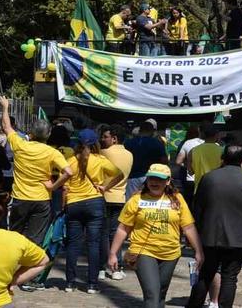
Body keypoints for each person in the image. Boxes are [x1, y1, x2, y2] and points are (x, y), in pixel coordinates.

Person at [109, 164, 203, 308]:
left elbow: (188, 227)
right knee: (152, 294)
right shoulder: (136, 199)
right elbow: (123, 228)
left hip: (171, 253)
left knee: (160, 294)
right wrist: (113, 253)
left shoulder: (177, 199)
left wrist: (198, 251)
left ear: (167, 181)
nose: (154, 182)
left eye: (159, 179)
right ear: (146, 180)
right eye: (151, 178)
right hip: (143, 251)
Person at [187, 146, 242, 308]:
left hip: (210, 236)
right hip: (240, 238)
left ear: (223, 157)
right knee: (229, 277)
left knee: (206, 274)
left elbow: (197, 210)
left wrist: (193, 237)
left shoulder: (208, 178)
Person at [0, 96, 73, 248]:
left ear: (31, 133)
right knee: (35, 241)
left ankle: (13, 266)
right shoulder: (52, 152)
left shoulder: (20, 145)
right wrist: (53, 187)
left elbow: (6, 127)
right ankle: (30, 269)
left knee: (15, 236)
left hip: (20, 198)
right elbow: (69, 172)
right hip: (42, 200)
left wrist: (5, 107)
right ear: (48, 135)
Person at [63, 129, 122, 294]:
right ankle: (92, 284)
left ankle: (69, 283)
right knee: (93, 244)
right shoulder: (100, 160)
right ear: (96, 143)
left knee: (73, 245)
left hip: (74, 204)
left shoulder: (70, 161)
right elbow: (119, 174)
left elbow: (65, 187)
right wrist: (105, 187)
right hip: (94, 203)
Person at [98, 124, 134, 281]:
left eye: (105, 137)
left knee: (103, 234)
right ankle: (116, 267)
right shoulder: (130, 155)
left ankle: (100, 267)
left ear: (114, 138)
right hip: (120, 198)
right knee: (117, 234)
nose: (102, 139)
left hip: (103, 195)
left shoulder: (103, 153)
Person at [125, 120, 168, 198]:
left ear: (140, 130)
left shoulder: (128, 142)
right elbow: (164, 161)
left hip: (132, 177)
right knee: (148, 200)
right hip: (151, 177)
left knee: (131, 202)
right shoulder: (157, 143)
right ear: (152, 131)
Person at [187, 123, 222, 190]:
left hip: (200, 189)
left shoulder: (193, 151)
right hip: (218, 189)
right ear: (216, 135)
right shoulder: (222, 151)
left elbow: (190, 172)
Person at [174, 125, 203, 208]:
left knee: (189, 201)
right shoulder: (211, 144)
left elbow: (178, 161)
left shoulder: (186, 143)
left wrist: (188, 166)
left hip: (190, 178)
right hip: (206, 178)